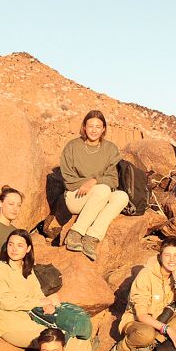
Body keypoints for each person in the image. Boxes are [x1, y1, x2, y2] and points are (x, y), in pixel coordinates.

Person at [0, 229, 119, 351]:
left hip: (32, 318)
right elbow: (6, 302)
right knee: (60, 338)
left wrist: (47, 303)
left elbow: (37, 294)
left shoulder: (28, 270)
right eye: (11, 244)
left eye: (19, 245)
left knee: (74, 329)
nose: (14, 249)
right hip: (11, 323)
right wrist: (39, 302)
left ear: (27, 249)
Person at [101, 239, 176, 351]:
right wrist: (169, 330)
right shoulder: (146, 275)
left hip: (163, 320)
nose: (172, 260)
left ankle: (152, 342)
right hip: (138, 321)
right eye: (167, 255)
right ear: (160, 257)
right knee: (146, 333)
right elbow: (141, 315)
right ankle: (122, 349)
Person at [59, 110, 130, 261]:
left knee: (122, 197)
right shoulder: (72, 147)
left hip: (98, 194)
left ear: (104, 129)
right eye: (90, 126)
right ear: (84, 127)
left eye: (98, 126)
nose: (94, 130)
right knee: (103, 189)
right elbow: (68, 179)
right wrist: (89, 184)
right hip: (75, 196)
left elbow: (113, 180)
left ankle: (91, 237)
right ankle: (75, 233)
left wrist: (94, 181)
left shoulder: (110, 149)